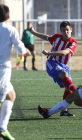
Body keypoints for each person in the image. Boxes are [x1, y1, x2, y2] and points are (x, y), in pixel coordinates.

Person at [28, 21, 78, 116]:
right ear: (61, 31)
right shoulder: (56, 37)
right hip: (51, 63)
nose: (65, 32)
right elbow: (45, 37)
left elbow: (65, 52)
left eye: (67, 30)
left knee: (68, 89)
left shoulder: (73, 43)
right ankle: (77, 92)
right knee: (65, 75)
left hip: (63, 66)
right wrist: (33, 32)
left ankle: (64, 110)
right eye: (63, 30)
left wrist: (49, 53)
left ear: (71, 30)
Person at [0, 4, 30, 140]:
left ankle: (2, 128)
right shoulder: (10, 29)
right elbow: (19, 46)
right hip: (2, 70)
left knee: (11, 95)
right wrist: (25, 52)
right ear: (9, 17)